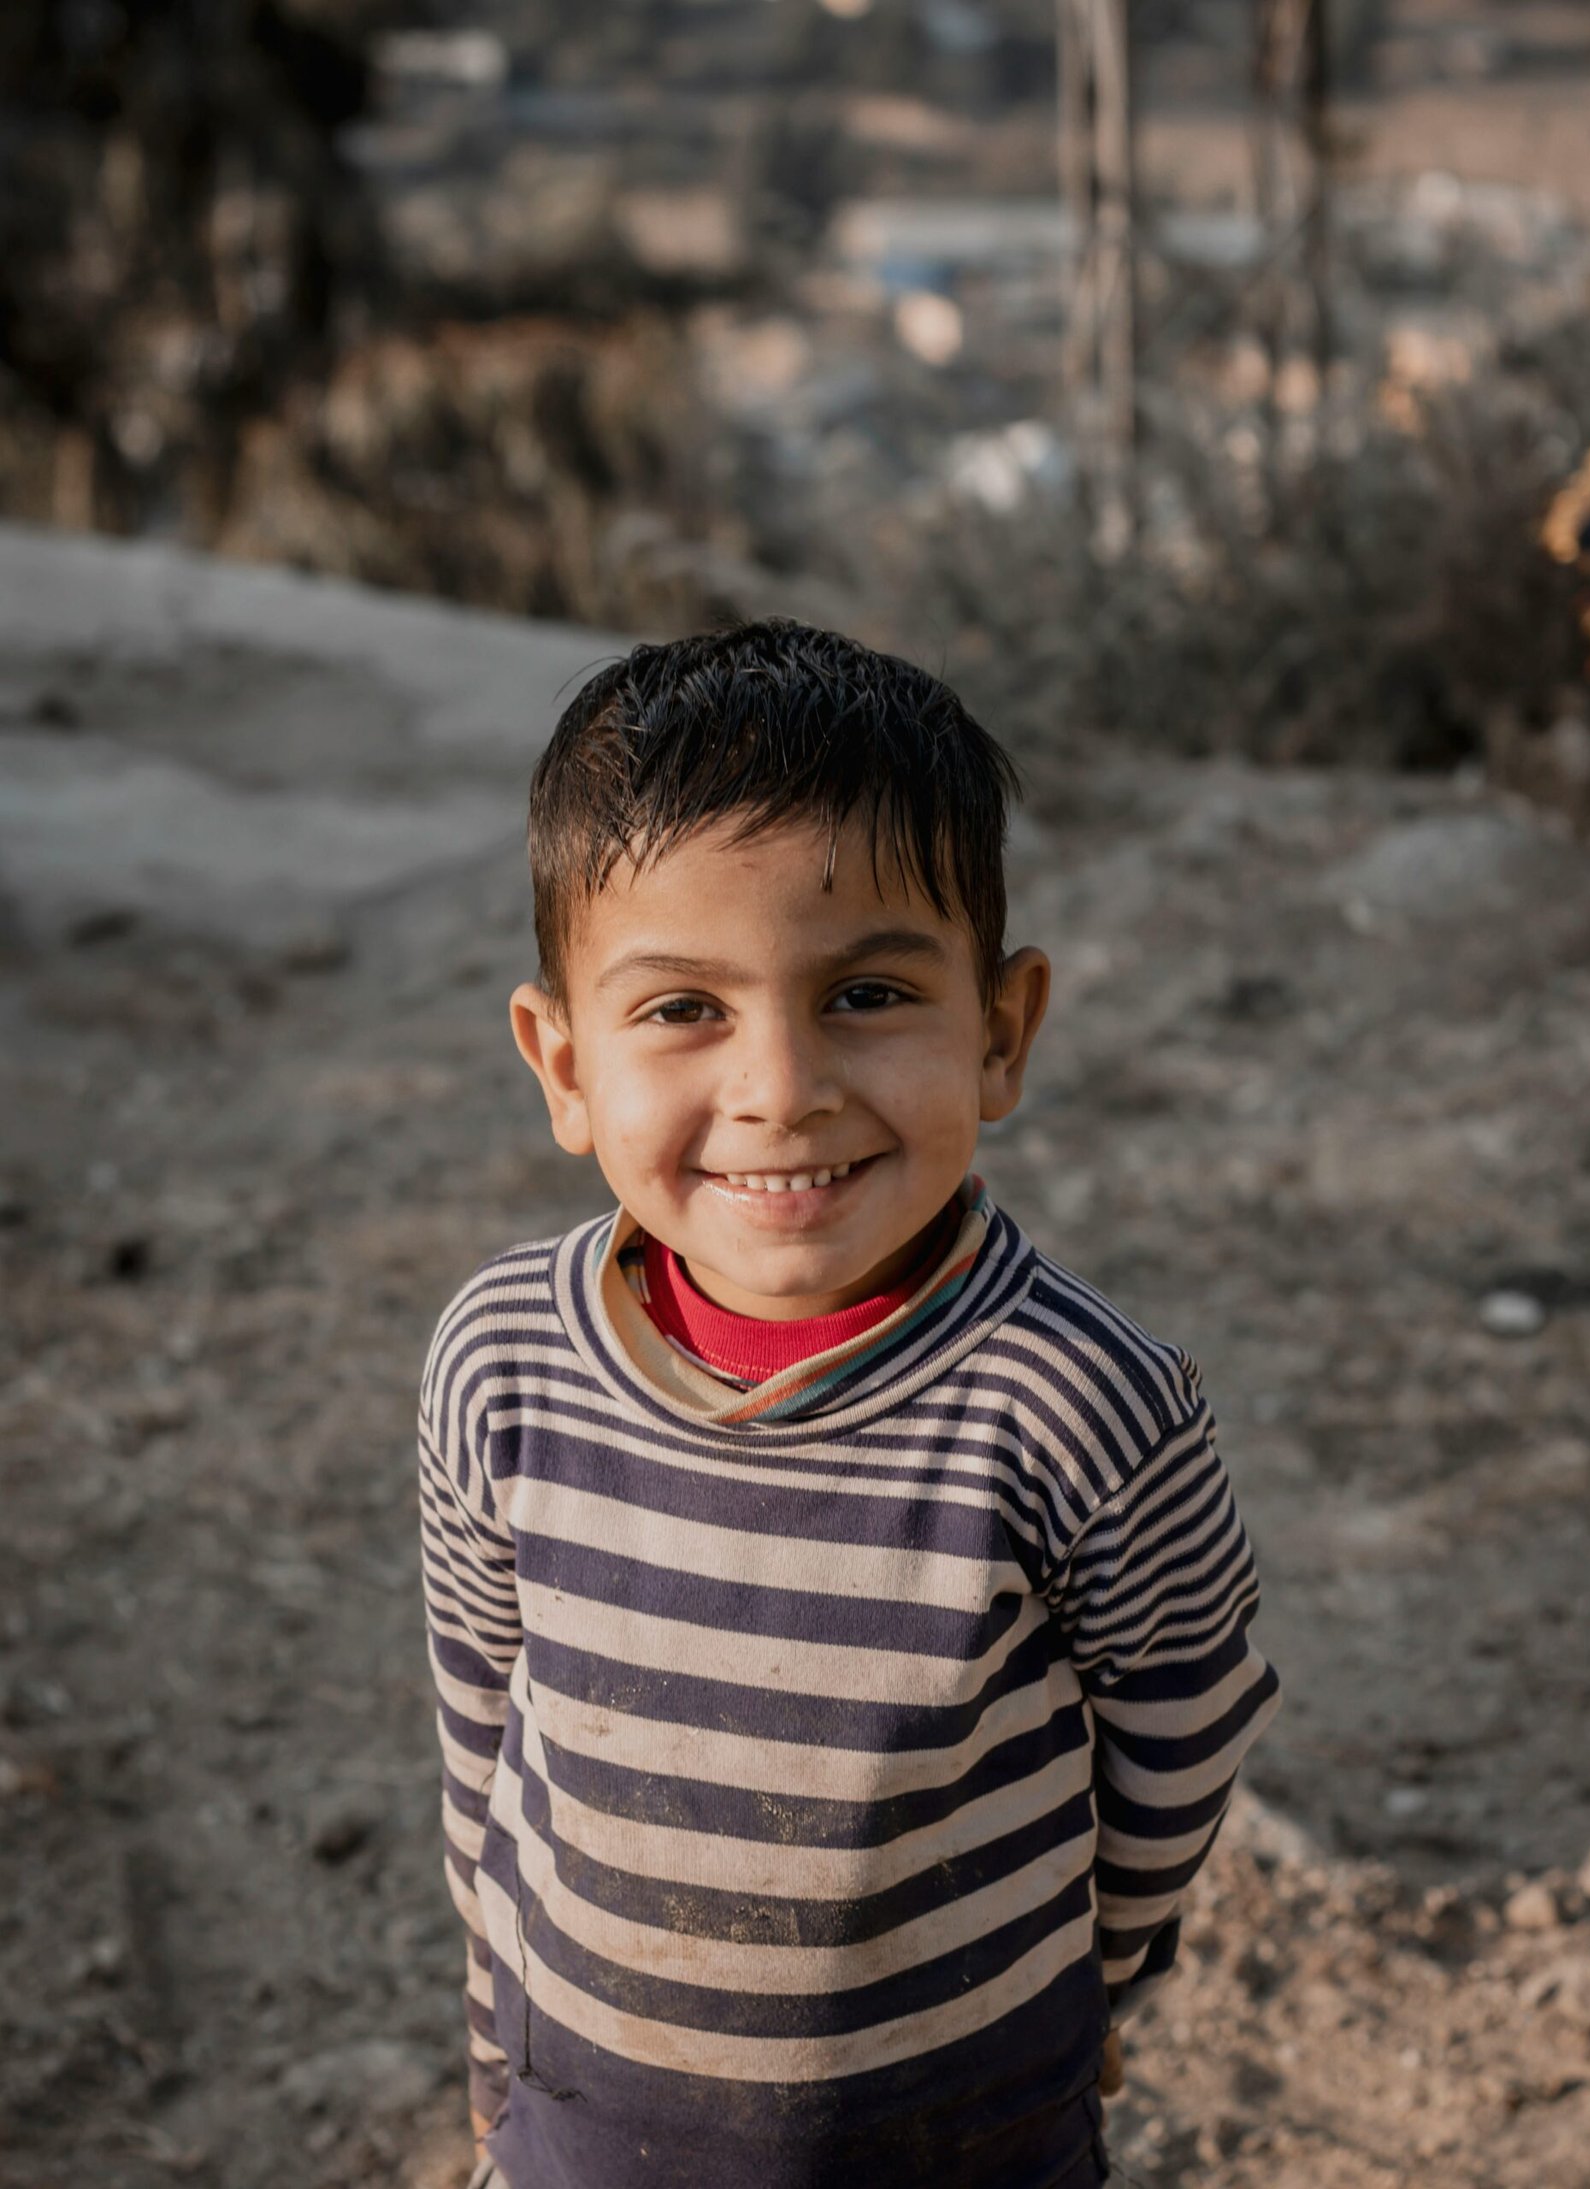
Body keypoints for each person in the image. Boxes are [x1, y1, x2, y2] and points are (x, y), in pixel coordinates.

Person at [418, 621, 1281, 2189]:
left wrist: (1086, 1985)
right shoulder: (501, 1361)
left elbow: (1183, 1730)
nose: (781, 1086)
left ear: (1002, 1029)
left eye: (868, 990)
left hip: (961, 2133)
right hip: (584, 2135)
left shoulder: (1084, 1406)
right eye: (683, 1008)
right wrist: (499, 2060)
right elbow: (487, 1737)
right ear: (561, 1063)